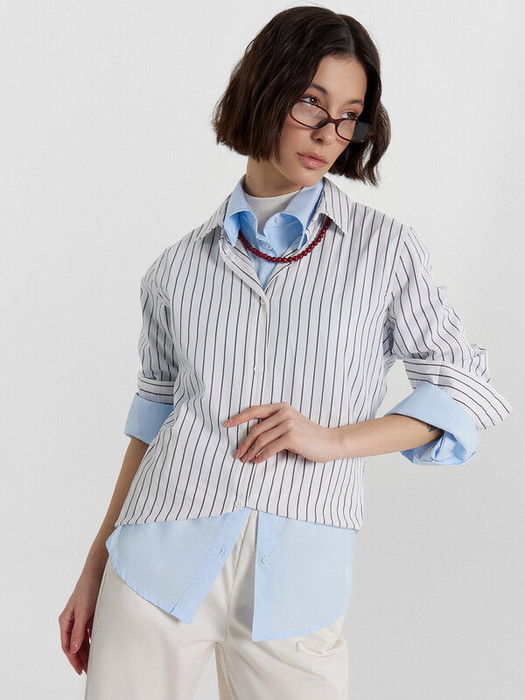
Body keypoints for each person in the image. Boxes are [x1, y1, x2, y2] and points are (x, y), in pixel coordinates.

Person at [59, 6, 512, 699]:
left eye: (349, 116)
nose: (329, 133)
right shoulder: (175, 269)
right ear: (264, 88)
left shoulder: (384, 251)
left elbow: (463, 386)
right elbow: (151, 423)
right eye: (311, 103)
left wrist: (334, 439)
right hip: (154, 567)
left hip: (295, 583)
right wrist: (94, 567)